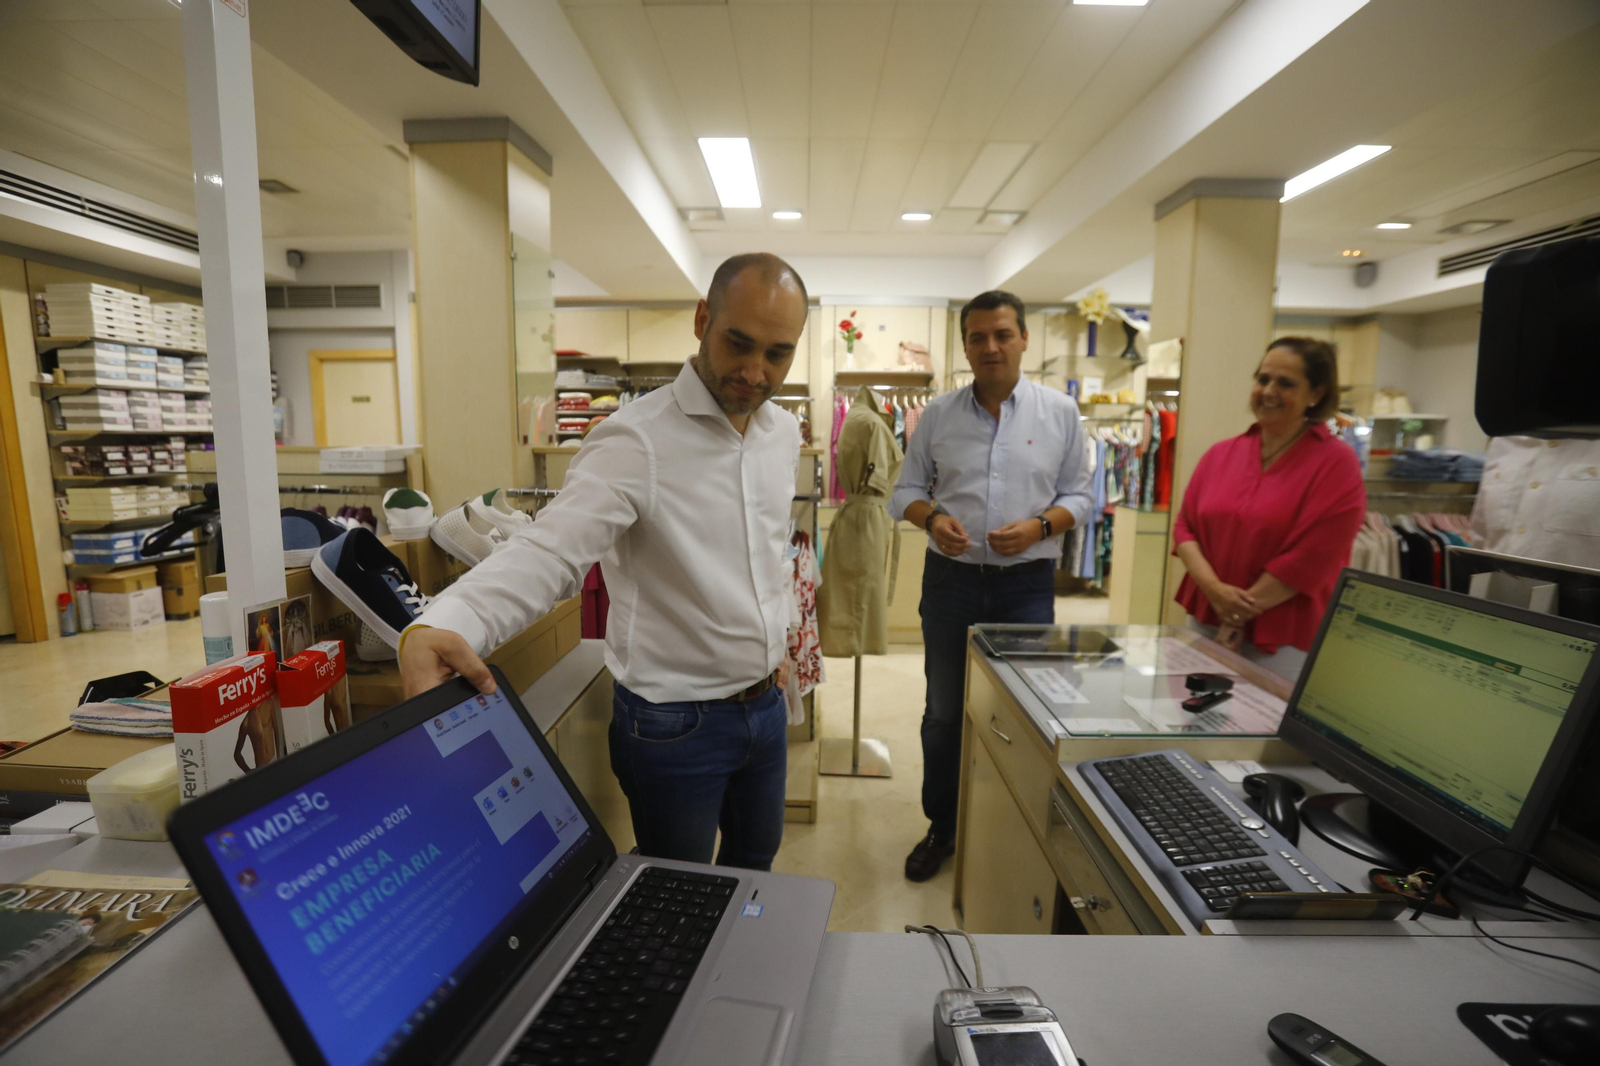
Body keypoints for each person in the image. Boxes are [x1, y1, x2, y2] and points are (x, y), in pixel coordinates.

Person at [399, 253, 809, 871]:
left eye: (778, 354)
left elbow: (768, 554)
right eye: (739, 343)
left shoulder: (782, 434)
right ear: (703, 320)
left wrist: (777, 643)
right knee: (678, 888)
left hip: (765, 706)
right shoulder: (637, 439)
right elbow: (552, 549)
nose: (756, 372)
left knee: (757, 865)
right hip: (675, 723)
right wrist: (448, 622)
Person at [890, 290, 1094, 882]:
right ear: (965, 346)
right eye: (978, 337)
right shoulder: (937, 415)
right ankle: (943, 825)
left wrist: (1040, 526)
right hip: (950, 582)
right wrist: (932, 519)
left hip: (1025, 585)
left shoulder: (1060, 413)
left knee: (1025, 711)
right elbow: (904, 492)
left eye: (1003, 334)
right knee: (943, 712)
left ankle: (1013, 823)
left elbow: (1082, 497)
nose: (991, 347)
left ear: (1024, 338)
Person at [1172, 336, 1365, 680]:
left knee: (1263, 714)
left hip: (1282, 635)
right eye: (1263, 379)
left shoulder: (1337, 463)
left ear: (1316, 394)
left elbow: (1315, 555)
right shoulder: (1221, 454)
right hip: (1207, 617)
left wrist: (1237, 613)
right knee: (1192, 712)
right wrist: (1215, 592)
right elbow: (1185, 527)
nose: (1269, 391)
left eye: (1285, 383)